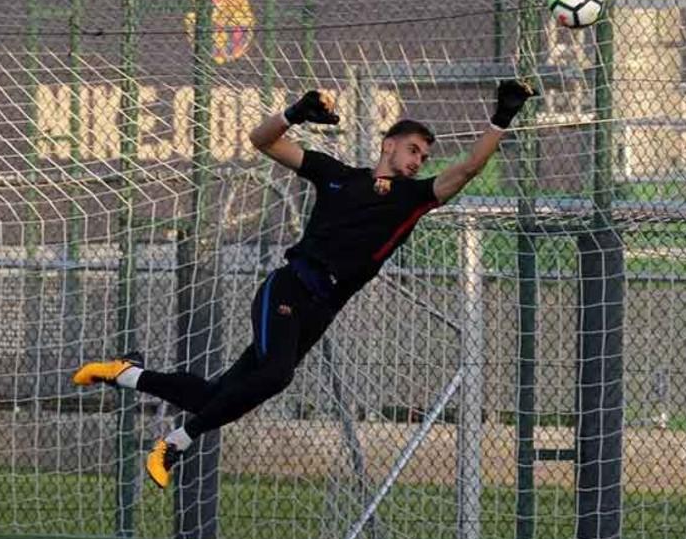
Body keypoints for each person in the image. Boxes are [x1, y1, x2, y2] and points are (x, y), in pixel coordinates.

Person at [73, 79, 538, 489]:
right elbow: (262, 140)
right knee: (275, 376)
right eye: (413, 149)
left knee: (218, 396)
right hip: (290, 287)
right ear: (389, 144)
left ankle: (126, 373)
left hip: (320, 310)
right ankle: (176, 442)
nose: (419, 161)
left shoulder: (414, 199)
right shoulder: (336, 175)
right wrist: (294, 113)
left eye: (424, 156)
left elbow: (469, 169)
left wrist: (502, 117)